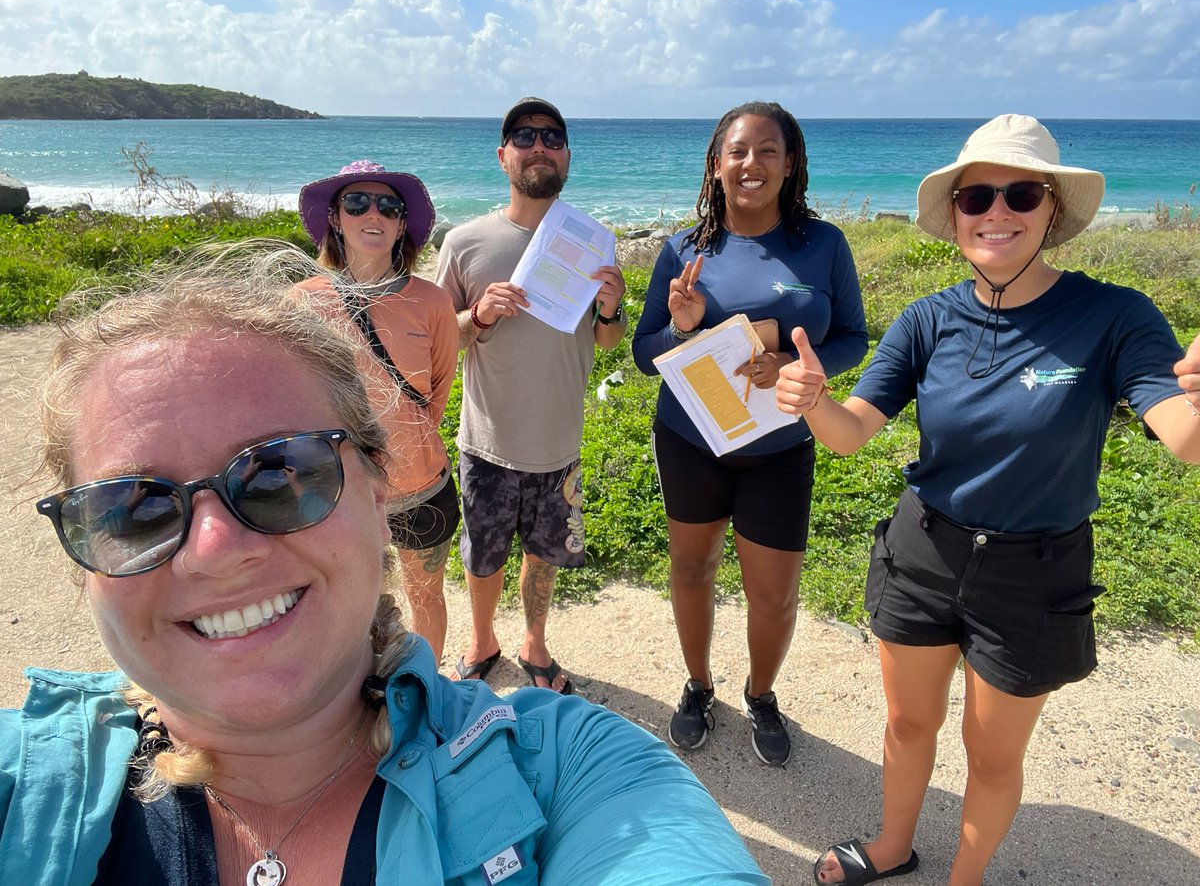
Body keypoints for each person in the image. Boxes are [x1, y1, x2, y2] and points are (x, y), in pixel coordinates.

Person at [1, 259, 770, 885]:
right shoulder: (22, 788)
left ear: (377, 492)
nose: (215, 547)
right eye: (135, 510)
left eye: (279, 474)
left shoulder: (572, 770)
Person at [775, 114, 1200, 885]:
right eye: (976, 197)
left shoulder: (1114, 315)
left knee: (992, 754)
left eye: (1020, 194)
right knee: (908, 723)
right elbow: (849, 433)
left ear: (1053, 211)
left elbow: (1183, 433)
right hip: (923, 550)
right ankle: (891, 847)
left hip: (1035, 571)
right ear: (957, 214)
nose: (996, 212)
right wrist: (810, 399)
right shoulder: (929, 319)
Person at [631, 101, 868, 767]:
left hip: (780, 449)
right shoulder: (685, 249)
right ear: (716, 164)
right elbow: (646, 357)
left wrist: (795, 365)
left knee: (774, 594)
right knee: (691, 569)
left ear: (791, 164)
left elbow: (852, 337)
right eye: (738, 151)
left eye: (769, 151)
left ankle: (761, 694)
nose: (752, 164)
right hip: (691, 442)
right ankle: (698, 685)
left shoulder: (823, 246)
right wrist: (680, 326)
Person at [436, 97, 627, 694]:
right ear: (503, 156)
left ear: (567, 154)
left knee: (544, 555)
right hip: (488, 439)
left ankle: (535, 642)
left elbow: (609, 340)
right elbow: (441, 341)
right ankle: (482, 638)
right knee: (482, 554)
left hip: (558, 440)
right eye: (524, 136)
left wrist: (613, 308)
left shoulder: (593, 240)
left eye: (551, 136)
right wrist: (479, 315)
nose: (538, 145)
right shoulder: (466, 242)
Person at [297, 160, 459, 664]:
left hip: (420, 485)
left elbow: (435, 397)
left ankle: (428, 691)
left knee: (426, 596)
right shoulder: (300, 303)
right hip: (335, 494)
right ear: (335, 219)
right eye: (357, 203)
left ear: (402, 224)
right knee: (342, 602)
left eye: (389, 206)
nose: (375, 214)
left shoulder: (432, 303)